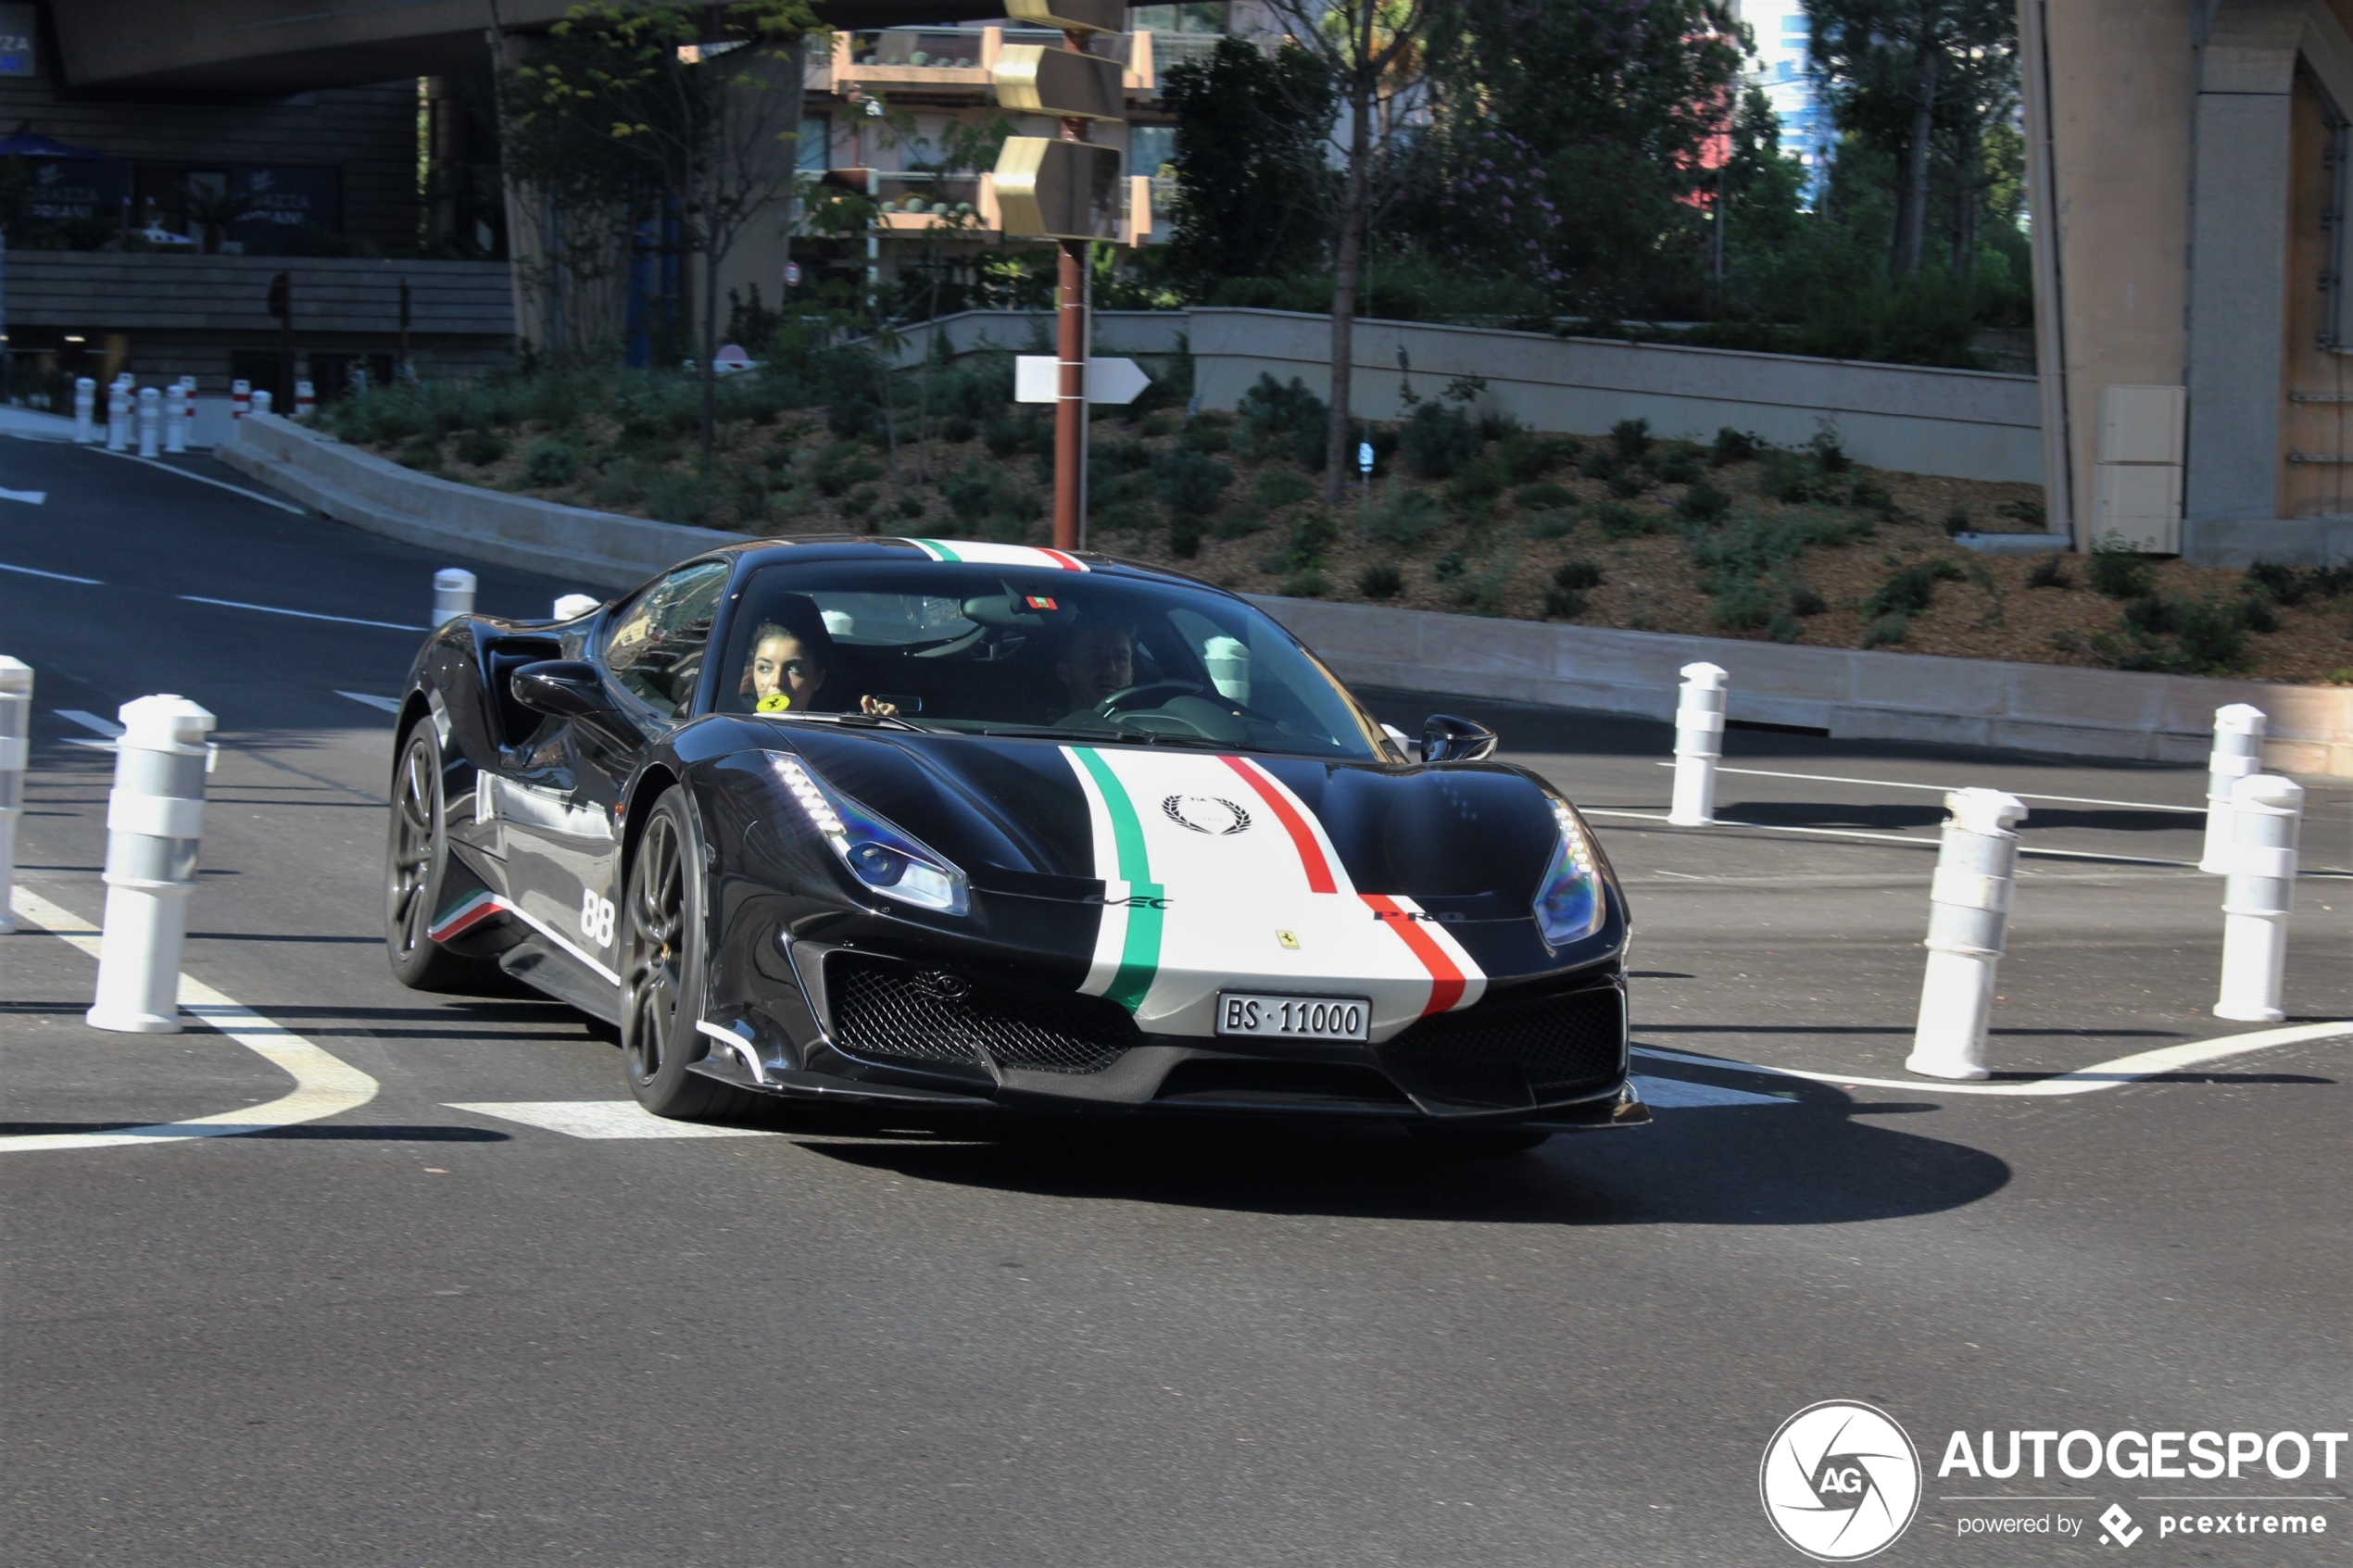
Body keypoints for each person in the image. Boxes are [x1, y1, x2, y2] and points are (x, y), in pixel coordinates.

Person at [740, 594, 896, 717]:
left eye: (794, 668)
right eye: (764, 667)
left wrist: (886, 731)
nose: (777, 681)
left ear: (817, 679)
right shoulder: (732, 725)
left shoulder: (845, 737)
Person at [1050, 613, 1138, 721]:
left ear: (1131, 675)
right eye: (1093, 656)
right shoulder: (1037, 730)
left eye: (1120, 658)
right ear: (1063, 671)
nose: (1110, 668)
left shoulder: (1150, 732)